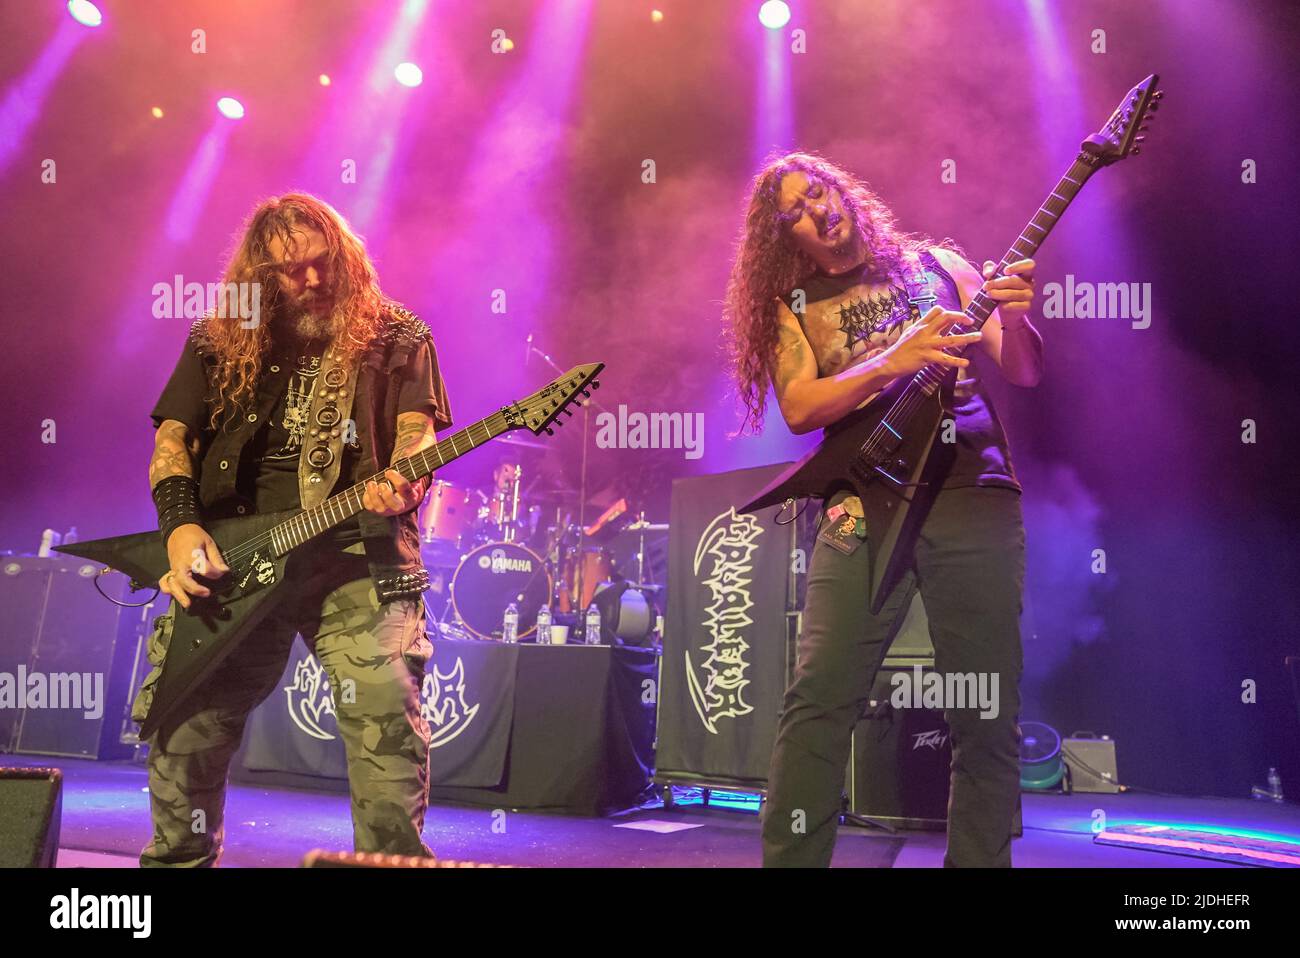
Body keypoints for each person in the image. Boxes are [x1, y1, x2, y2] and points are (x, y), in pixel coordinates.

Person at [724, 152, 1042, 867]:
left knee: (985, 710)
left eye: (821, 192)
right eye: (795, 212)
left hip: (971, 489)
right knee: (819, 701)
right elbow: (801, 407)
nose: (817, 210)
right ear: (786, 238)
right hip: (861, 503)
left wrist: (1017, 318)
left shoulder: (940, 267)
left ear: (847, 192)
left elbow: (1020, 369)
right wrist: (892, 361)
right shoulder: (794, 305)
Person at [138, 192, 453, 866]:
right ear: (260, 276)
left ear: (345, 256)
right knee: (188, 729)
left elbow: (417, 435)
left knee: (384, 720)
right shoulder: (218, 336)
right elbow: (174, 439)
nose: (311, 281)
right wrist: (180, 529)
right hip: (236, 559)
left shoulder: (399, 335)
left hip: (354, 557)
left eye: (322, 263)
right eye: (290, 271)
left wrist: (404, 480)